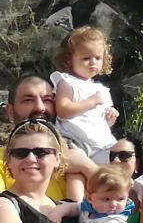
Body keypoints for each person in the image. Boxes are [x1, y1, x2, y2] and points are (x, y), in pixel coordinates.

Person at [49, 26, 119, 164]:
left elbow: (101, 122)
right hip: (74, 140)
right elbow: (63, 110)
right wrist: (92, 102)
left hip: (99, 143)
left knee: (114, 168)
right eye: (86, 58)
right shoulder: (67, 82)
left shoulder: (101, 90)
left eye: (98, 58)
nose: (93, 62)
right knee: (77, 176)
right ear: (69, 60)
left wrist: (110, 117)